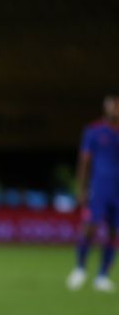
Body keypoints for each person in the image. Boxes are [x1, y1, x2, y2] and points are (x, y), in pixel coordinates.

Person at [66, 93, 119, 293]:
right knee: (90, 227)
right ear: (106, 106)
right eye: (113, 104)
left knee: (114, 231)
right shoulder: (94, 131)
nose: (116, 109)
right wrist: (81, 188)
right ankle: (80, 269)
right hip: (100, 187)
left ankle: (103, 276)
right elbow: (85, 161)